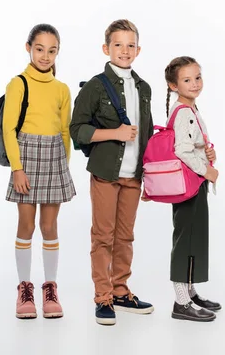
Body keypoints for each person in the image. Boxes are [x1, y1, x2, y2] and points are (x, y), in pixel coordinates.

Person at [69, 19, 155, 325]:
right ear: (106, 48)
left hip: (134, 175)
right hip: (106, 172)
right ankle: (103, 298)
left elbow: (146, 133)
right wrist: (114, 133)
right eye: (118, 44)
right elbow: (76, 130)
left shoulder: (143, 87)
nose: (125, 50)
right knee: (103, 236)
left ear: (138, 49)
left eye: (131, 45)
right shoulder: (95, 86)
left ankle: (121, 291)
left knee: (125, 236)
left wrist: (149, 177)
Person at [3, 24, 76, 319]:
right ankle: (24, 288)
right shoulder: (18, 83)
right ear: (28, 48)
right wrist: (17, 169)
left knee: (49, 227)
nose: (45, 56)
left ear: (58, 51)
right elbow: (9, 129)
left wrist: (63, 167)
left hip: (54, 158)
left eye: (52, 50)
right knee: (26, 226)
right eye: (40, 49)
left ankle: (50, 288)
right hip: (27, 157)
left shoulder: (62, 89)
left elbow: (65, 131)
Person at [163, 56, 221, 322]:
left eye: (198, 77)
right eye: (187, 80)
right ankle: (181, 301)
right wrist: (206, 169)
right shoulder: (184, 112)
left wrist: (207, 151)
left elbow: (192, 144)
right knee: (185, 239)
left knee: (194, 237)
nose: (195, 83)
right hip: (189, 182)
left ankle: (190, 292)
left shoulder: (190, 109)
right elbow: (181, 150)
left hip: (193, 182)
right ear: (174, 85)